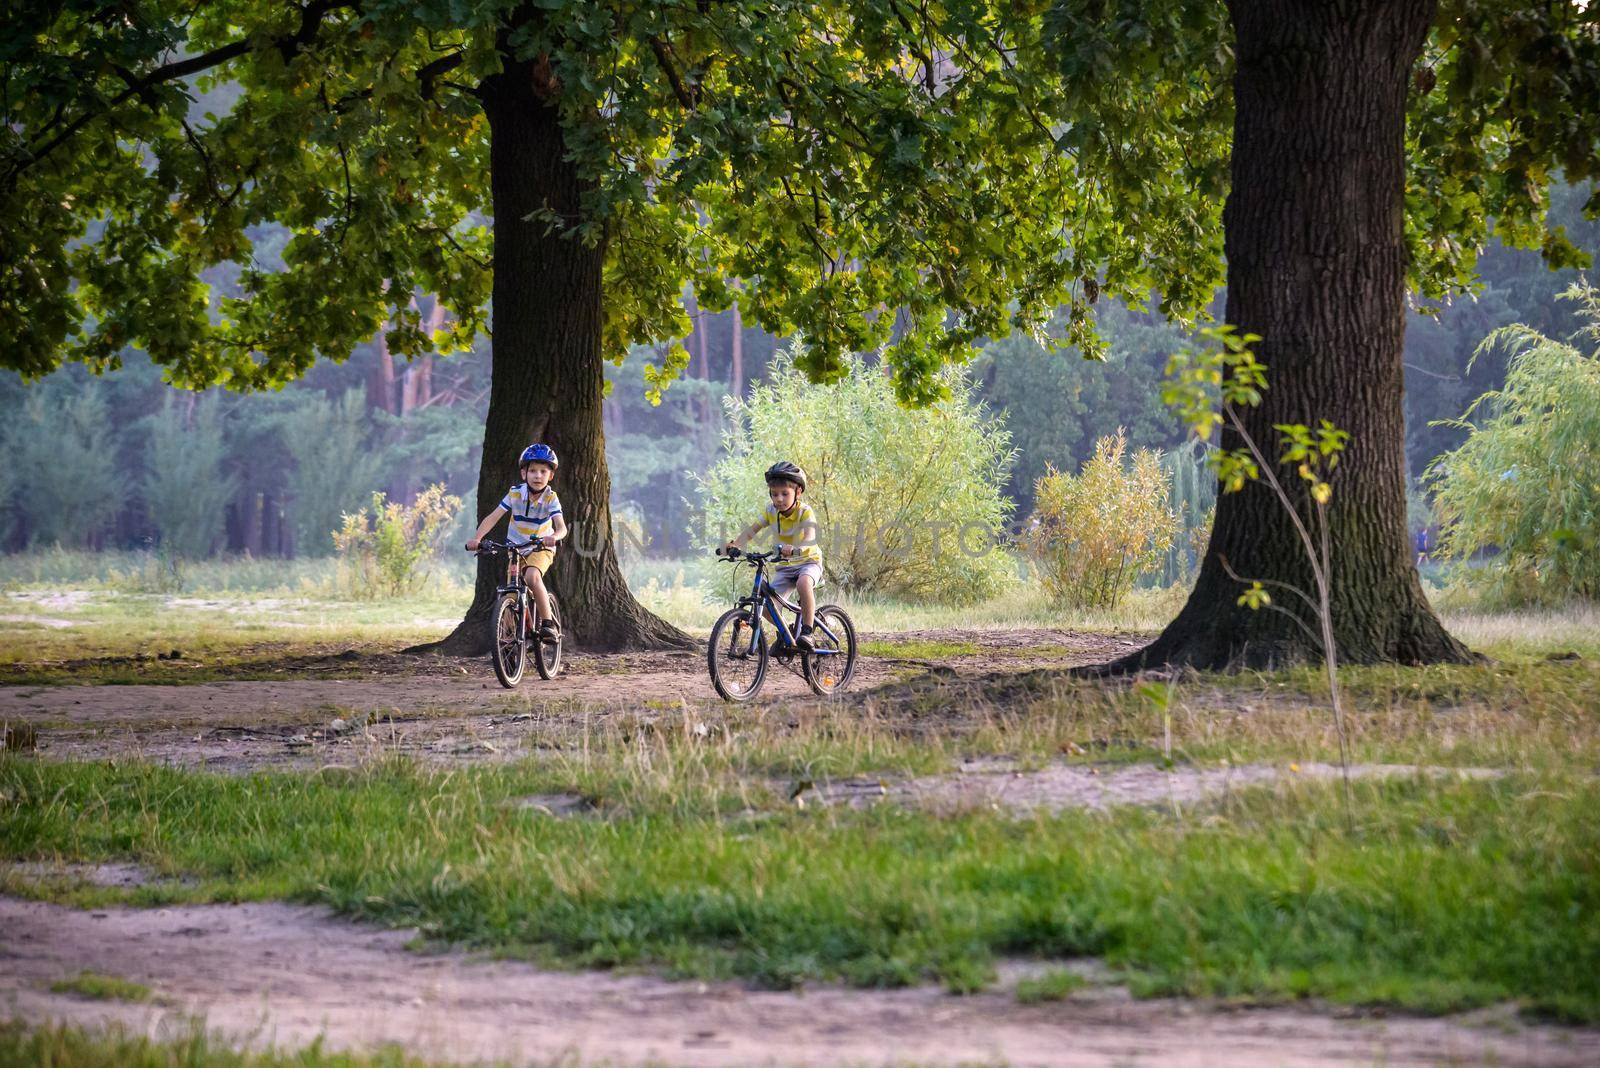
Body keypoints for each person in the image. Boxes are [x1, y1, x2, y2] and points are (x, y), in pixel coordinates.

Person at [466, 443, 565, 639]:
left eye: (543, 471)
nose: (538, 476)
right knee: (510, 592)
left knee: (532, 577)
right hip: (515, 547)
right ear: (523, 474)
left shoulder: (551, 498)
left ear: (550, 476)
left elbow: (561, 528)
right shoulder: (514, 494)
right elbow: (493, 517)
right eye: (533, 471)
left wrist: (553, 537)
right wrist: (477, 539)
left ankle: (548, 624)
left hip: (540, 546)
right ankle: (513, 639)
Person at [723, 460, 822, 651]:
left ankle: (807, 632)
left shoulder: (804, 512)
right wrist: (735, 544)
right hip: (785, 566)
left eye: (785, 494)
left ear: (798, 492)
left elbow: (810, 537)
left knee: (804, 583)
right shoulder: (771, 511)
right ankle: (787, 632)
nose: (779, 499)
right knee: (768, 607)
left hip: (808, 561)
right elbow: (752, 530)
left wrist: (794, 548)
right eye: (774, 494)